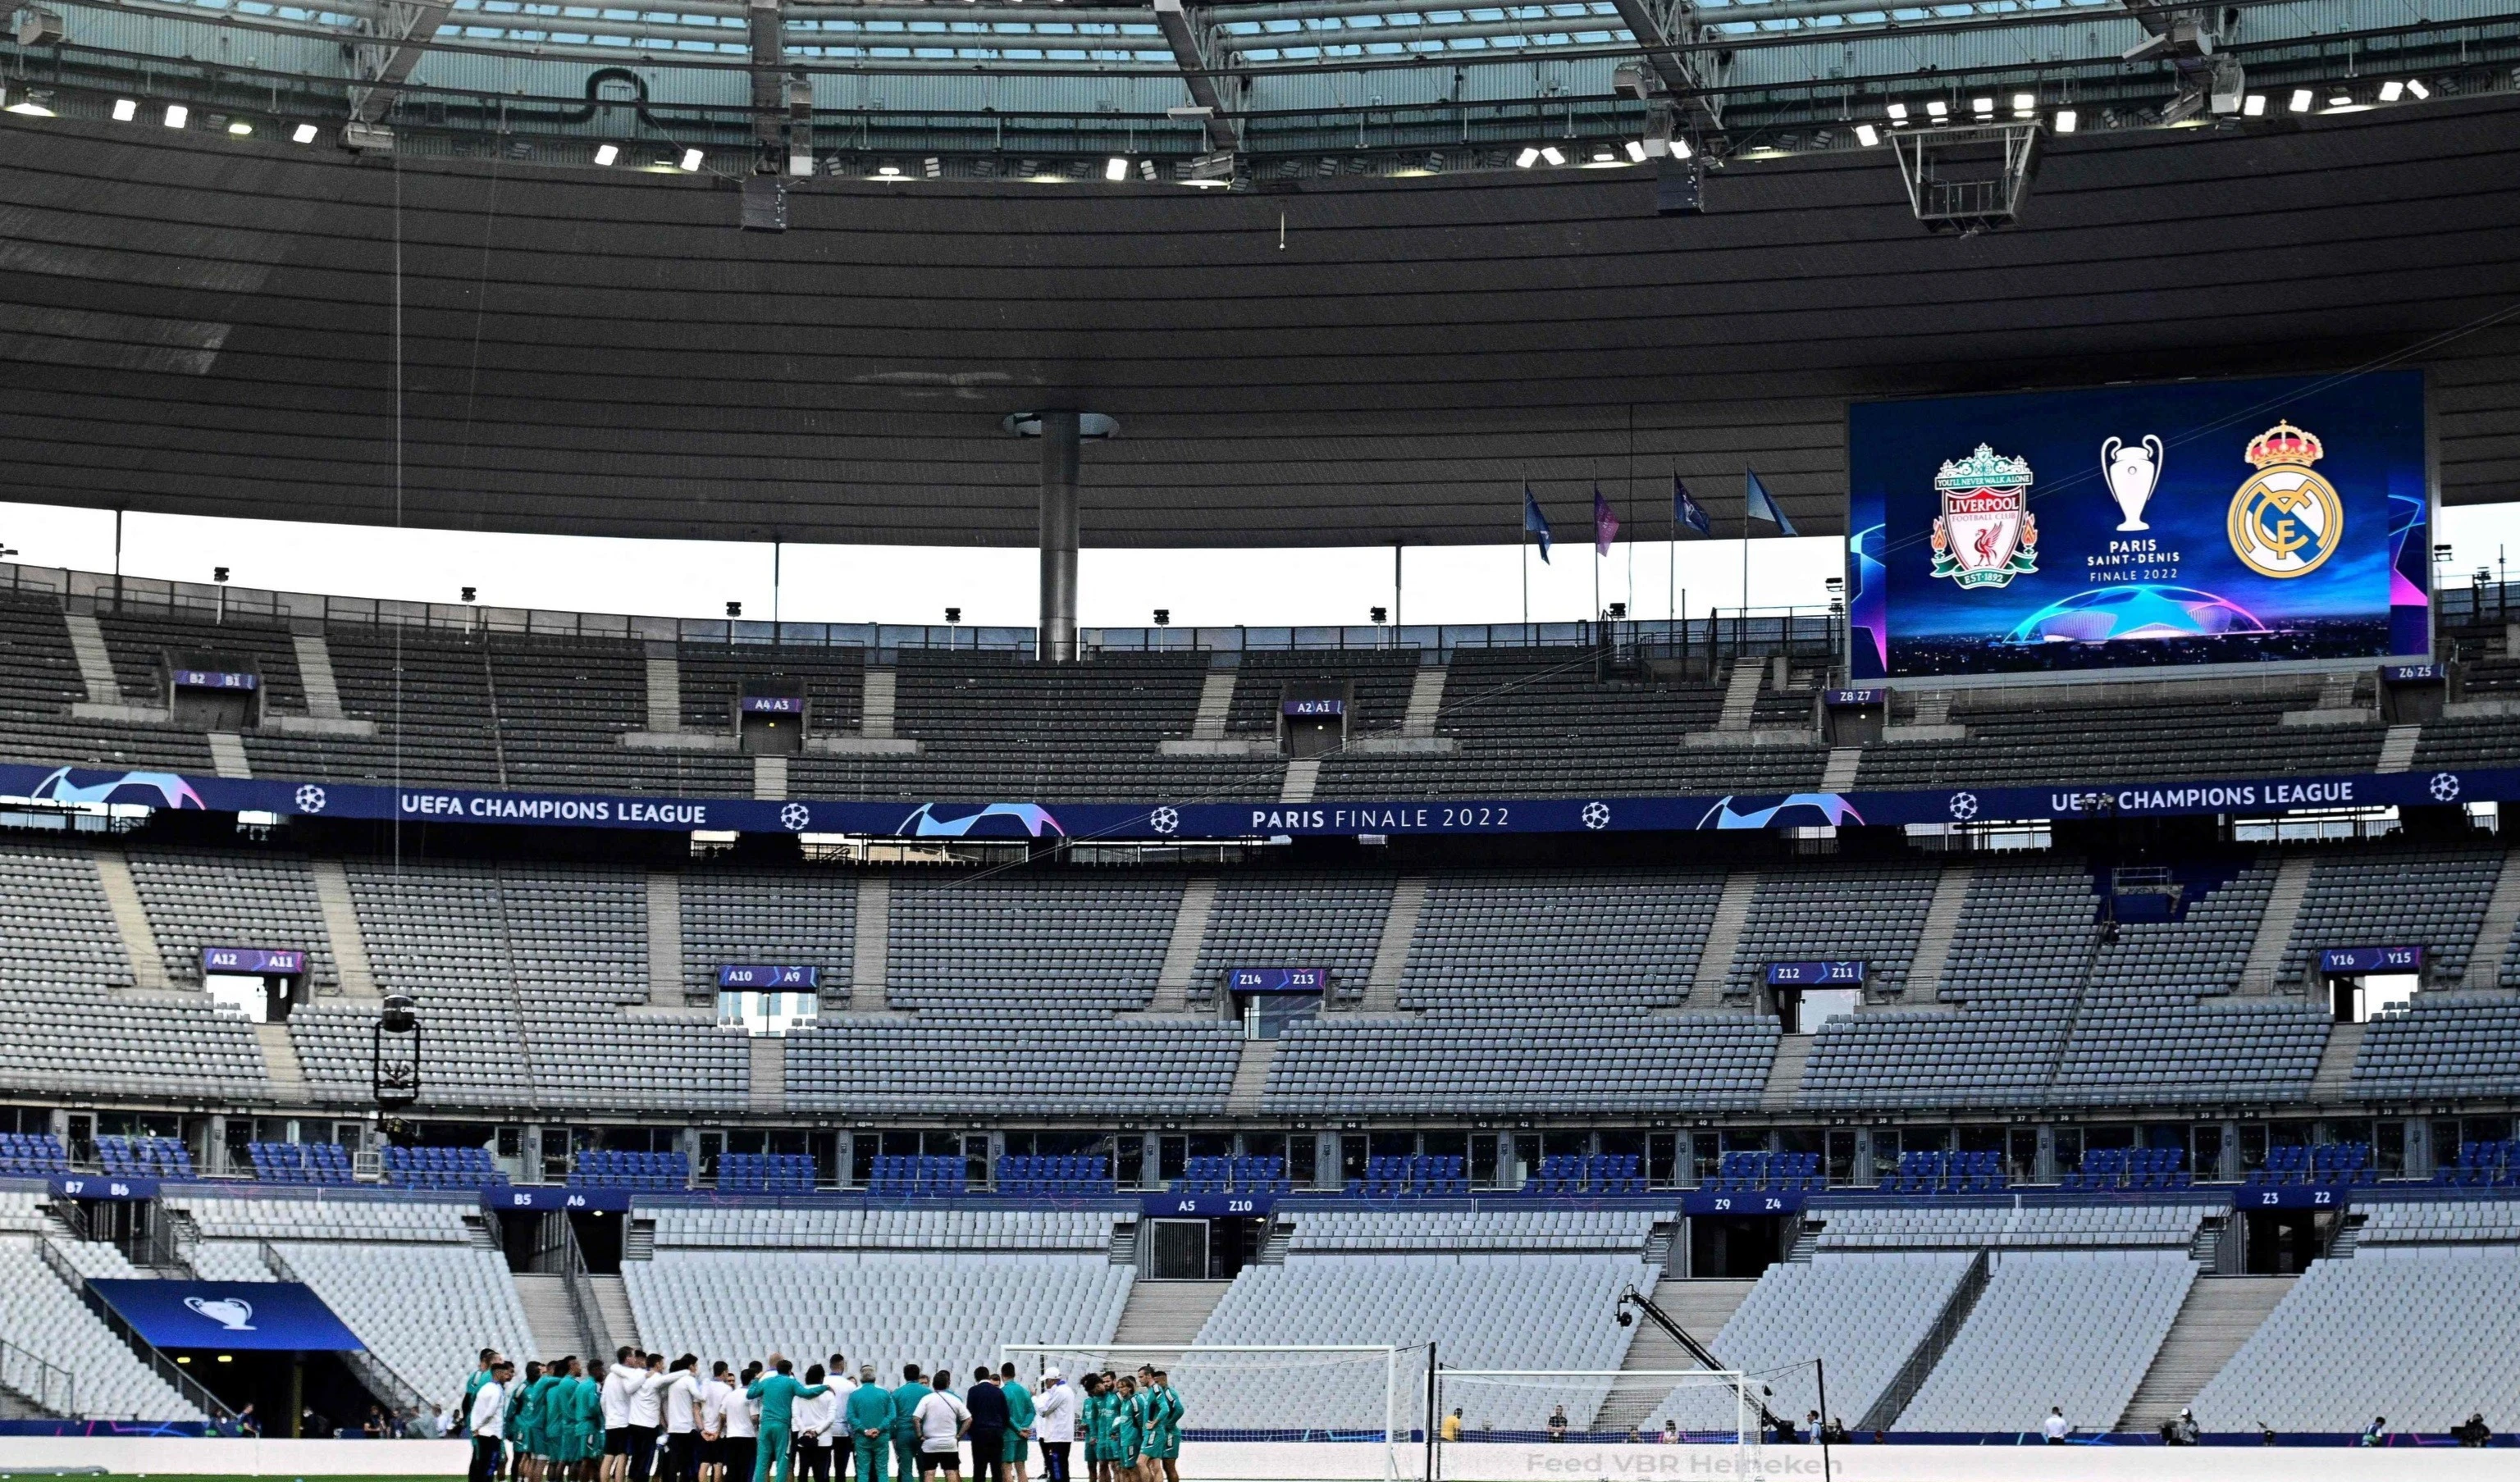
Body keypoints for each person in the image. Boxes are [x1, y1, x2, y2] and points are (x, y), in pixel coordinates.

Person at [748, 1356, 831, 1482]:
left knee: (762, 1459)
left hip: (765, 1425)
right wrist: (824, 1387)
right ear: (789, 1371)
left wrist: (756, 1379)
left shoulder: (767, 1381)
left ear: (777, 1369)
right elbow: (806, 1393)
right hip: (782, 1425)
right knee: (782, 1459)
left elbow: (750, 1394)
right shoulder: (791, 1382)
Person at [914, 1371, 971, 1479]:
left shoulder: (927, 1399)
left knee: (929, 1473)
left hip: (930, 1442)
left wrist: (919, 1435)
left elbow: (916, 1419)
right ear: (948, 1384)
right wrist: (959, 1436)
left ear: (933, 1384)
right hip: (949, 1442)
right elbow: (968, 1419)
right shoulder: (955, 1399)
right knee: (951, 1472)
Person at [628, 1352, 674, 1482]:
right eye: (662, 1363)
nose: (663, 1366)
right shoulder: (658, 1380)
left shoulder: (639, 1378)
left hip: (635, 1423)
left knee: (637, 1454)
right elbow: (660, 1406)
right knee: (647, 1456)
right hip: (649, 1424)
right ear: (657, 1364)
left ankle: (633, 1477)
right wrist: (665, 1424)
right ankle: (642, 1477)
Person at [847, 1363, 896, 1482]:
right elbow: (892, 1415)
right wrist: (879, 1429)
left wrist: (864, 1430)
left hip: (862, 1438)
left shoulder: (854, 1395)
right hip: (881, 1437)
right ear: (874, 1377)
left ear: (861, 1378)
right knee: (882, 1471)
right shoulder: (884, 1393)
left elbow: (851, 1417)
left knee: (863, 1472)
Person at [474, 1360, 518, 1482]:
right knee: (498, 1459)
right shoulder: (495, 1388)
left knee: (497, 1459)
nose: (511, 1375)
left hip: (497, 1430)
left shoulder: (502, 1388)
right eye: (509, 1372)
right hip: (492, 1431)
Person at [662, 1356, 705, 1482]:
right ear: (690, 1366)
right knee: (687, 1460)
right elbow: (699, 1395)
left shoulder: (672, 1383)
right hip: (686, 1427)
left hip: (674, 1427)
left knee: (674, 1459)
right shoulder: (689, 1380)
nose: (696, 1368)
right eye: (695, 1365)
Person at [892, 1366, 935, 1482]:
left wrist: (894, 1434)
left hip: (903, 1433)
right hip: (923, 1433)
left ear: (904, 1376)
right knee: (924, 1469)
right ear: (918, 1375)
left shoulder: (897, 1393)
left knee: (906, 1470)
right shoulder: (928, 1392)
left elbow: (892, 1417)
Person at [724, 1362, 765, 1482]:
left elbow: (722, 1414)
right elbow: (754, 1417)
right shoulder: (751, 1396)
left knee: (732, 1468)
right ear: (752, 1380)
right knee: (746, 1469)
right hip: (747, 1436)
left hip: (731, 1436)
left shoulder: (730, 1395)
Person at [966, 1366, 1009, 1482]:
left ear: (976, 1378)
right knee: (996, 1468)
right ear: (988, 1376)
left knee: (979, 1468)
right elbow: (1005, 1414)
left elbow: (969, 1414)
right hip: (996, 1433)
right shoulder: (998, 1391)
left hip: (979, 1433)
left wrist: (972, 1433)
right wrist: (1001, 1430)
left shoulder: (973, 1391)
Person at [1032, 1369, 1074, 1482]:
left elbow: (1045, 1411)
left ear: (1052, 1381)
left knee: (1056, 1468)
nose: (1046, 1384)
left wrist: (1034, 1398)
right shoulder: (1068, 1390)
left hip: (1057, 1436)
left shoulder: (1060, 1391)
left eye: (1047, 1381)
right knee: (1063, 1466)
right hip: (1065, 1435)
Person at [607, 1350, 644, 1482]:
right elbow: (630, 1389)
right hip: (623, 1420)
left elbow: (603, 1400)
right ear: (627, 1358)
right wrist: (645, 1376)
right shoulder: (628, 1374)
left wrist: (608, 1415)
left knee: (609, 1455)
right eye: (633, 1356)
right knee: (623, 1455)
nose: (635, 1359)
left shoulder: (610, 1376)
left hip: (611, 1421)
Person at [1139, 1371, 1180, 1482]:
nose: (1139, 1380)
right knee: (1156, 1466)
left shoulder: (1163, 1391)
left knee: (1143, 1463)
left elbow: (1177, 1409)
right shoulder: (1153, 1391)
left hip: (1161, 1432)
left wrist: (1168, 1424)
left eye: (1141, 1377)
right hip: (1157, 1432)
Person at [701, 1363, 738, 1482]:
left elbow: (698, 1407)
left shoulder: (706, 1385)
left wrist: (703, 1428)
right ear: (724, 1372)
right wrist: (718, 1431)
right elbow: (724, 1414)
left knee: (704, 1463)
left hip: (706, 1429)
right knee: (718, 1464)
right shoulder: (727, 1389)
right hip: (719, 1432)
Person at [998, 1363, 1034, 1482]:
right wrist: (1024, 1427)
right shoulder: (1024, 1391)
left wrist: (1018, 1429)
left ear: (1002, 1375)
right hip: (1023, 1435)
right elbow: (1031, 1411)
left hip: (1009, 1435)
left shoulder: (1002, 1392)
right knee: (1021, 1468)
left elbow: (1006, 1415)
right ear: (1014, 1374)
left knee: (1006, 1468)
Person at [1108, 1377, 1142, 1482]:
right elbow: (1124, 1421)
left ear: (1130, 1388)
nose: (1120, 1390)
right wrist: (1114, 1431)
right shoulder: (1124, 1402)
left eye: (1123, 1387)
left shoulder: (1134, 1400)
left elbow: (1141, 1421)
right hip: (1124, 1440)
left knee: (1132, 1469)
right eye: (1118, 1388)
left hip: (1132, 1441)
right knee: (1124, 1469)